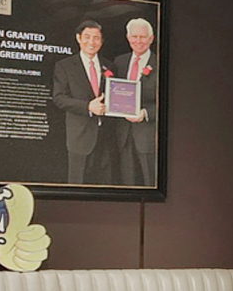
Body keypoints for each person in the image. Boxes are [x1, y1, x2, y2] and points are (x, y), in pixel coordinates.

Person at [53, 20, 115, 185]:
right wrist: (88, 106)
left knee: (104, 184)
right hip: (79, 136)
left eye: (96, 38)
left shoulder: (109, 66)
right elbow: (59, 98)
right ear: (78, 38)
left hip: (107, 136)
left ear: (101, 41)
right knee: (77, 183)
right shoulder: (64, 66)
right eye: (87, 37)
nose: (91, 42)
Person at [114, 18, 157, 186]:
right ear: (128, 37)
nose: (138, 41)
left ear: (151, 39)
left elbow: (170, 103)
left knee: (150, 183)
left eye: (143, 37)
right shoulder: (119, 62)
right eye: (134, 36)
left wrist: (146, 113)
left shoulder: (161, 63)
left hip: (147, 135)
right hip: (123, 135)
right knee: (127, 183)